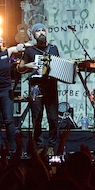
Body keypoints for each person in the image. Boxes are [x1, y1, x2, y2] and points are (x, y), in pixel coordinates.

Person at [19, 23, 61, 153]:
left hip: (50, 86)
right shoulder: (30, 50)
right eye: (38, 31)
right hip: (35, 87)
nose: (41, 33)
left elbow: (58, 66)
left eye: (43, 30)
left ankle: (53, 146)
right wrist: (29, 65)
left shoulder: (53, 48)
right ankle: (39, 145)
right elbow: (19, 67)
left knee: (53, 118)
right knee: (37, 117)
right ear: (33, 35)